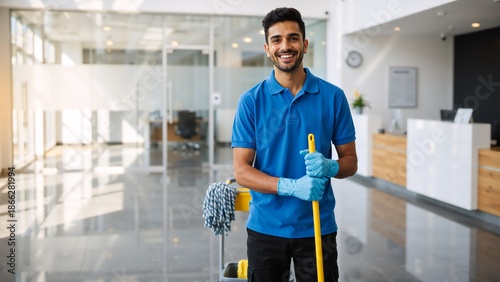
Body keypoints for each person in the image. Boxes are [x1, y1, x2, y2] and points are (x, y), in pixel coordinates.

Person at [231, 7, 358, 282]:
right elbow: (241, 170)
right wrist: (289, 186)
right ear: (267, 48)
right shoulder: (251, 101)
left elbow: (350, 161)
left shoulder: (333, 97)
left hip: (317, 227)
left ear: (305, 44)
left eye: (293, 38)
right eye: (276, 40)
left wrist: (330, 166)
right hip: (266, 227)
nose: (285, 46)